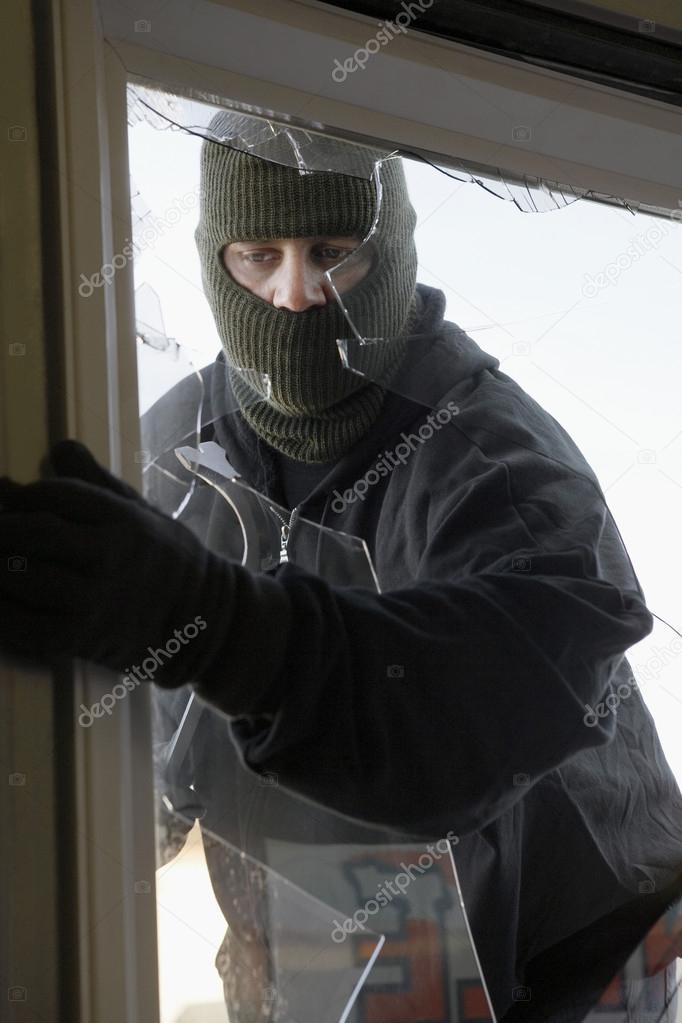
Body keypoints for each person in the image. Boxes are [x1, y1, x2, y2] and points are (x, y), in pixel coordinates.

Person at [1, 109, 681, 1023]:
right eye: (257, 254)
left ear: (389, 252)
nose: (293, 294)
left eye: (330, 251)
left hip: (566, 969)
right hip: (306, 954)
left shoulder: (495, 461)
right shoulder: (174, 445)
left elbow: (490, 699)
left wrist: (223, 623)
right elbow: (142, 754)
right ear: (216, 259)